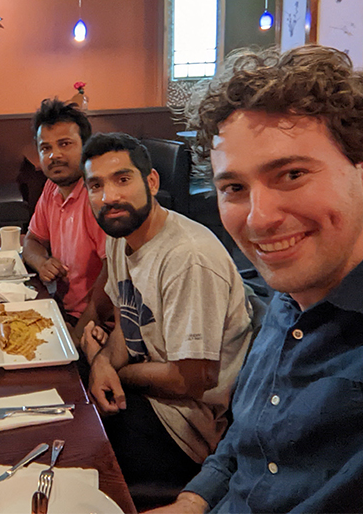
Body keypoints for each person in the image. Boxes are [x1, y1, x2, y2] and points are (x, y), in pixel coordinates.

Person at [149, 45, 363, 513]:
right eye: (234, 189)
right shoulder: (289, 296)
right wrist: (191, 501)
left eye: (291, 174)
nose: (259, 219)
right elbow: (246, 439)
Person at [82, 132, 251, 488]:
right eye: (95, 185)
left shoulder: (187, 257)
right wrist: (100, 365)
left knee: (74, 453)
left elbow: (190, 379)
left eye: (122, 179)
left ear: (152, 181)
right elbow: (127, 331)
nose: (109, 197)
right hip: (149, 400)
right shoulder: (120, 237)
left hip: (185, 429)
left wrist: (117, 375)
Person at [22, 99, 107, 326]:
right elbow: (31, 241)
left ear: (85, 146)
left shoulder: (97, 197)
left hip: (96, 323)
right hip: (60, 308)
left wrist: (78, 337)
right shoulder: (52, 188)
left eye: (65, 144)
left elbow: (114, 276)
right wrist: (42, 263)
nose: (54, 155)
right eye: (46, 148)